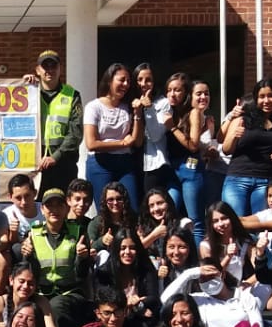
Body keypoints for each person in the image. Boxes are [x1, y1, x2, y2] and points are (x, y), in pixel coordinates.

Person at [19, 189, 93, 327]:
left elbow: (82, 275)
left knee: (56, 306)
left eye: (59, 205)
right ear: (42, 209)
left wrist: (82, 257)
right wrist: (28, 256)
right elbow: (29, 272)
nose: (54, 210)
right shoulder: (33, 233)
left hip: (70, 292)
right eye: (49, 206)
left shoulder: (78, 232)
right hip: (41, 292)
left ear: (66, 208)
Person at [222, 79, 272, 218]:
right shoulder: (242, 119)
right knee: (236, 222)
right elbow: (226, 149)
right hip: (237, 179)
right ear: (255, 99)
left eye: (271, 96)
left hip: (266, 181)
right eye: (262, 97)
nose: (266, 100)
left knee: (260, 224)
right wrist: (234, 136)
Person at [22, 49, 83, 194]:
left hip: (64, 163)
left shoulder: (72, 95)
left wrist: (55, 157)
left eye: (53, 66)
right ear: (37, 70)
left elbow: (75, 133)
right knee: (35, 204)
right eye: (45, 66)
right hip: (35, 164)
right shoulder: (28, 93)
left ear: (60, 68)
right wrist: (21, 85)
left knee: (64, 204)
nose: (50, 70)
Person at [82, 63, 142, 208]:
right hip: (100, 164)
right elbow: (91, 144)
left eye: (128, 81)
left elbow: (137, 141)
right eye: (121, 80)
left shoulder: (128, 107)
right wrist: (122, 143)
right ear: (109, 80)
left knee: (131, 208)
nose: (126, 84)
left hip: (125, 162)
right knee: (105, 210)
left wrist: (138, 114)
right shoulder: (93, 107)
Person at [137, 68, 183, 206]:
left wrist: (149, 108)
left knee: (153, 207)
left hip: (154, 164)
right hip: (133, 161)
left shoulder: (163, 103)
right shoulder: (130, 102)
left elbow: (156, 135)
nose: (143, 84)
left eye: (148, 80)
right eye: (139, 79)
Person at [94, 228, 161, 322]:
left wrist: (139, 303)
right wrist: (128, 303)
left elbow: (153, 298)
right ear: (117, 250)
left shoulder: (146, 268)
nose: (127, 252)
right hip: (113, 319)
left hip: (139, 318)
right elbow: (104, 301)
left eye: (132, 248)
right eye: (123, 248)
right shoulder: (104, 272)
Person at [191, 79, 228, 213]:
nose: (203, 97)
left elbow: (206, 146)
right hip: (191, 170)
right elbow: (191, 145)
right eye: (199, 94)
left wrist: (211, 151)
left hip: (205, 170)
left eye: (206, 94)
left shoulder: (208, 119)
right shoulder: (188, 117)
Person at [138, 188, 193, 261]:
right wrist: (154, 235)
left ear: (168, 204)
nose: (156, 209)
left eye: (160, 203)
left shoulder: (183, 223)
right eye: (151, 205)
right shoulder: (143, 226)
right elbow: (136, 250)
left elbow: (188, 252)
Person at [87, 181, 134, 262]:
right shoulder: (96, 222)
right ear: (105, 201)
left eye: (119, 199)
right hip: (105, 264)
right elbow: (90, 247)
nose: (115, 203)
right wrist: (102, 241)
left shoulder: (133, 220)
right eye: (110, 200)